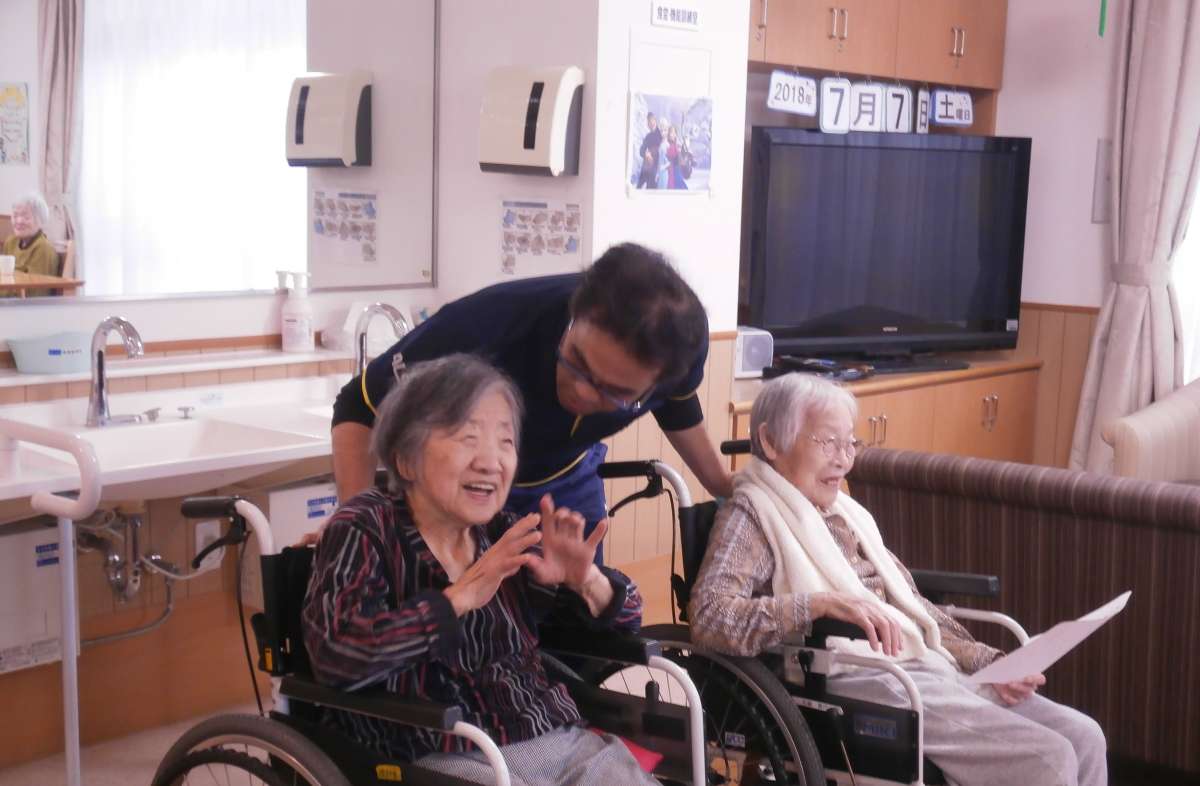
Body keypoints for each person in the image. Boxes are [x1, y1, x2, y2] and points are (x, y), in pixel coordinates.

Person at [688, 374, 1107, 786]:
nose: (843, 460)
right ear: (770, 442)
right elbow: (709, 615)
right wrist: (817, 604)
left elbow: (912, 608)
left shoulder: (846, 515)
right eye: (827, 442)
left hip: (923, 665)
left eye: (850, 443)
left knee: (1085, 737)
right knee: (1049, 759)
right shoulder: (752, 514)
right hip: (856, 677)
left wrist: (988, 662)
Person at [303, 355, 655, 786]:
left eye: (505, 441)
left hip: (548, 734)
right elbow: (337, 656)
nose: (491, 462)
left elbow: (628, 622)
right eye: (467, 438)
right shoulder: (366, 527)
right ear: (407, 459)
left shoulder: (504, 532)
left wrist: (586, 582)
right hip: (430, 748)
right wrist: (455, 600)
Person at [329, 243, 734, 561]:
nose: (583, 392)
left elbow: (677, 405)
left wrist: (724, 486)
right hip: (464, 491)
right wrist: (360, 530)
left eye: (615, 393)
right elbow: (359, 404)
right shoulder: (487, 325)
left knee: (585, 616)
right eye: (576, 362)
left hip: (567, 483)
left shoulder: (679, 350)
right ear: (573, 314)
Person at [3, 192, 59, 296]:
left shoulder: (43, 249)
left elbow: (36, 293)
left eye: (26, 217)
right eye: (15, 215)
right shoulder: (10, 242)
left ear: (40, 220)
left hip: (27, 304)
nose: (19, 221)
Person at [635, 112, 661, 189]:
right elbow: (641, 151)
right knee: (638, 188)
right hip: (647, 166)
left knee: (652, 189)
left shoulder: (661, 134)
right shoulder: (648, 136)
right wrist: (646, 154)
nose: (651, 123)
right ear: (647, 124)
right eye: (649, 122)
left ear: (655, 121)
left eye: (652, 120)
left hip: (657, 168)